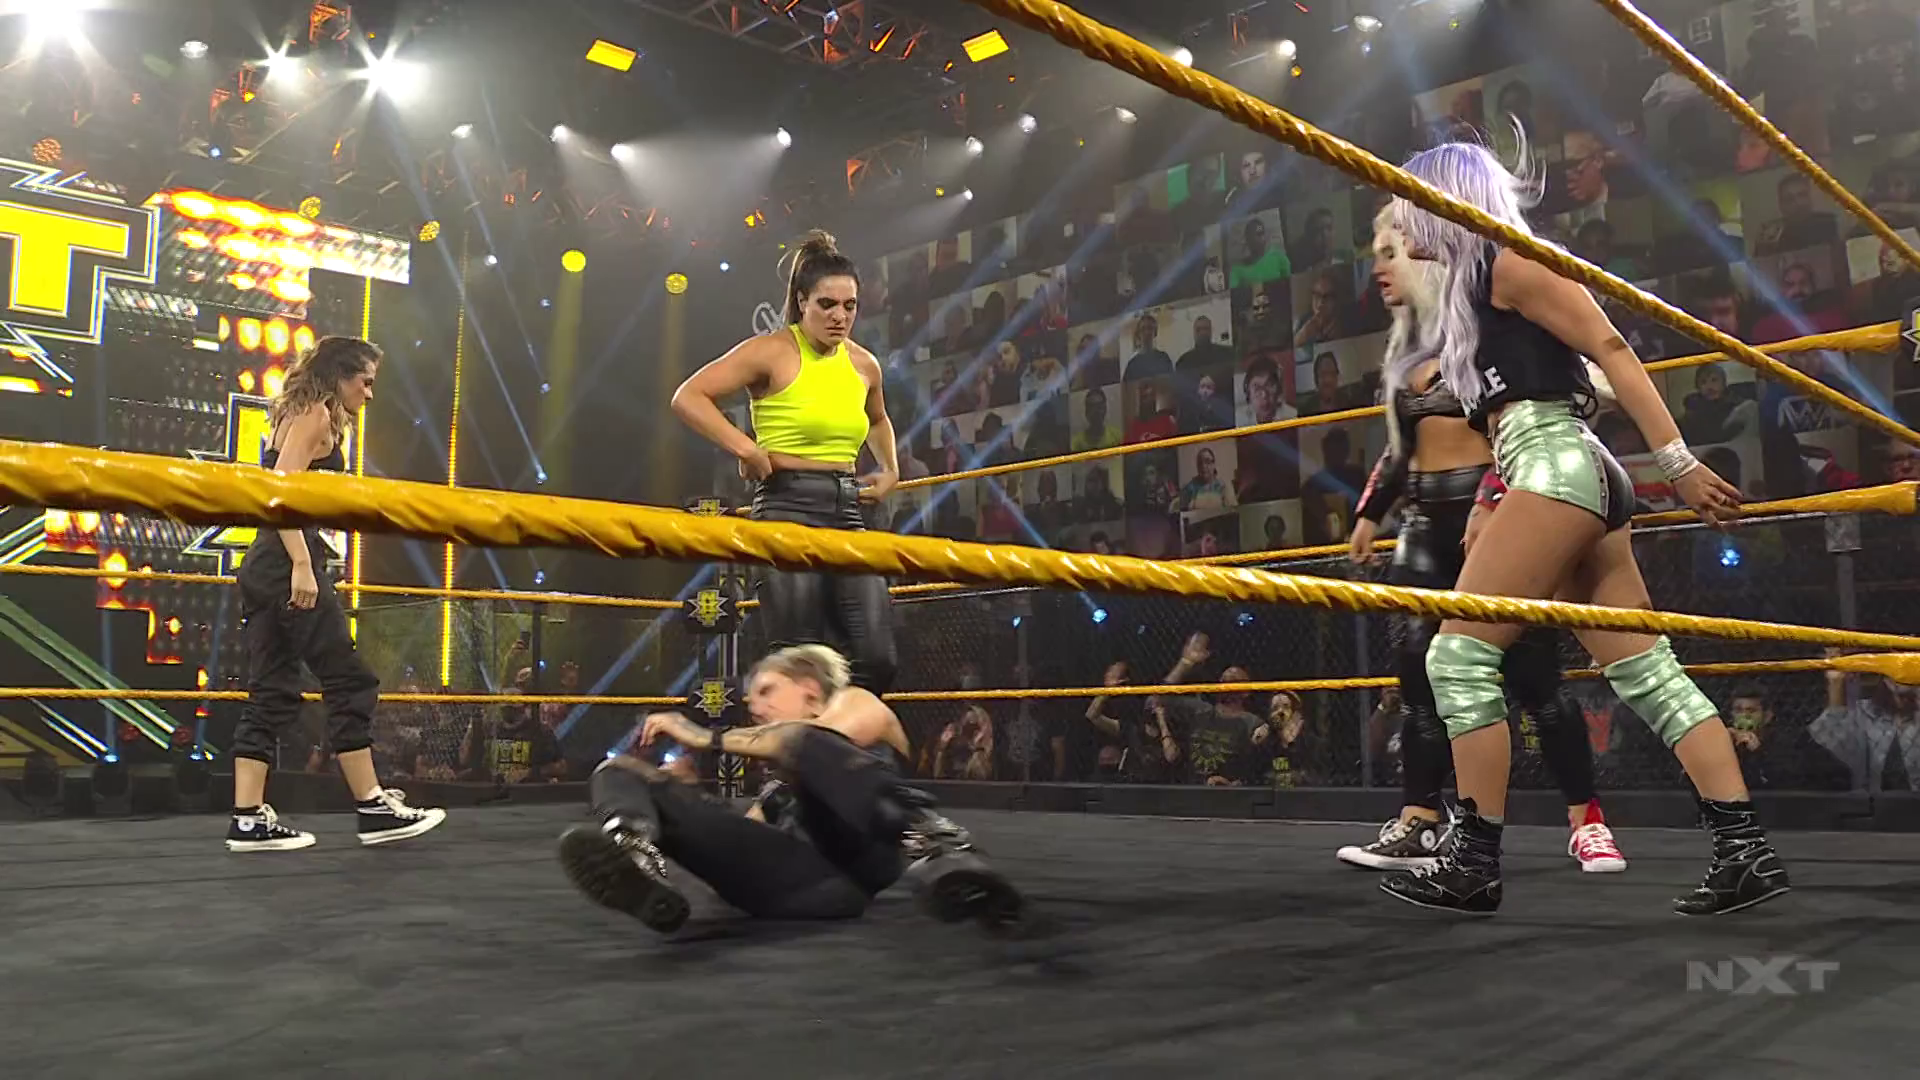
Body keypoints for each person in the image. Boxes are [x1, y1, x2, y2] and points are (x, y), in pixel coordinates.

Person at [1373, 139, 1785, 917]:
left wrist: (1678, 461)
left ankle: (1474, 861)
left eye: (1409, 208)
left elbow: (1611, 347)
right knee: (1647, 674)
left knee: (1457, 659)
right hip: (1551, 470)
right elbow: (1527, 406)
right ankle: (1746, 853)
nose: (1400, 227)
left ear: (1444, 203)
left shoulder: (1512, 262)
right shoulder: (1473, 293)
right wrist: (1493, 496)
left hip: (1558, 468)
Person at [1337, 212, 1625, 875]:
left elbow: (1539, 410)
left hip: (1496, 515)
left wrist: (1496, 497)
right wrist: (1369, 514)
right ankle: (1420, 821)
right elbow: (1399, 450)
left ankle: (1587, 821)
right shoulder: (1404, 356)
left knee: (1534, 680)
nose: (1379, 267)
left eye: (1390, 252)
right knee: (1418, 682)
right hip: (1422, 528)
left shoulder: (1489, 321)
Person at [557, 645, 1022, 931]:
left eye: (767, 691)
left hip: (859, 868)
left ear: (810, 690)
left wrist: (704, 736)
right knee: (618, 769)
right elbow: (748, 839)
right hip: (797, 884)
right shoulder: (781, 780)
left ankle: (942, 851)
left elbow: (802, 741)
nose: (754, 706)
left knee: (807, 743)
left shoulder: (856, 704)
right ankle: (636, 857)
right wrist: (686, 802)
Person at [226, 337, 446, 852]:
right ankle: (372, 806)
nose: (370, 394)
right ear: (339, 376)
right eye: (364, 382)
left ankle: (248, 817)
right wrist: (303, 564)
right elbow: (279, 493)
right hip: (286, 563)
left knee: (272, 690)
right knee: (349, 680)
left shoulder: (302, 412)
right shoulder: (316, 415)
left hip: (268, 565)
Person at [672, 230, 901, 694]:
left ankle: (834, 735)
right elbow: (688, 396)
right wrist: (746, 448)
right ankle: (794, 741)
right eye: (827, 304)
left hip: (848, 510)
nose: (839, 316)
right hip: (785, 505)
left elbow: (878, 419)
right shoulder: (772, 351)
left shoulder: (864, 364)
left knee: (876, 657)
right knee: (798, 657)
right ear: (802, 302)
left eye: (850, 306)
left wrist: (891, 470)